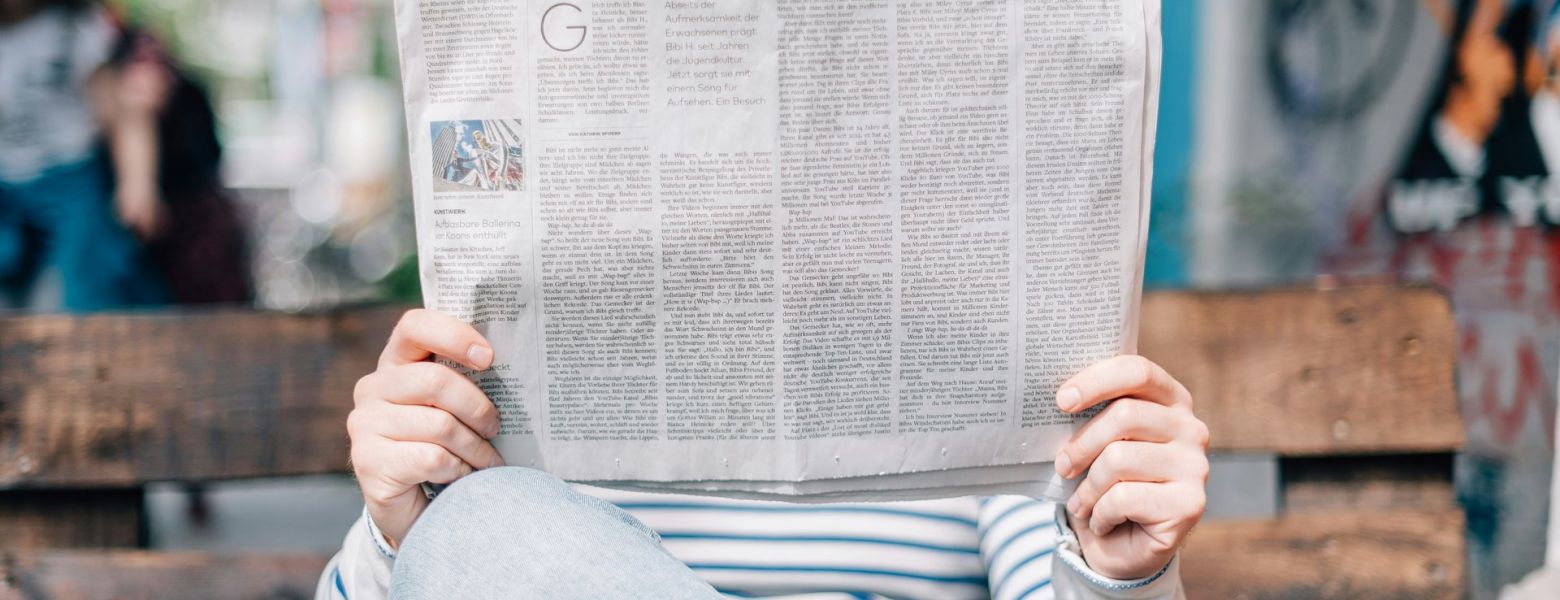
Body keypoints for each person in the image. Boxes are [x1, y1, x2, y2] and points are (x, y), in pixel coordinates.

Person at [320, 310, 1208, 599]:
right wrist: (403, 526)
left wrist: (1118, 571)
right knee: (489, 525)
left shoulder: (989, 361)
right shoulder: (491, 380)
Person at [0, 0, 168, 310]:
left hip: (70, 175)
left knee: (86, 275)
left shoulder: (77, 25)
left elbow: (123, 113)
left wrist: (137, 183)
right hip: (6, 181)